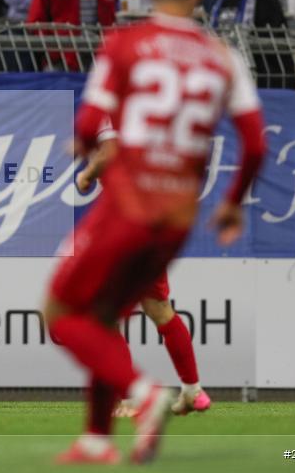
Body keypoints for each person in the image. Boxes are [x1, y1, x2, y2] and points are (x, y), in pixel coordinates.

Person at [45, 0, 266, 464]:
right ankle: (99, 437)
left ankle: (145, 395)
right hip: (178, 217)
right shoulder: (222, 56)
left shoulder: (126, 43)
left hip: (128, 207)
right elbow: (255, 144)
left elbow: (88, 128)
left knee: (61, 313)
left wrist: (83, 156)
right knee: (110, 313)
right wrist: (232, 203)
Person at [75, 123, 211, 419]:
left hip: (123, 223)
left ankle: (131, 399)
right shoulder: (162, 111)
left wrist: (87, 174)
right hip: (155, 223)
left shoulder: (119, 102)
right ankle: (193, 389)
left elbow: (109, 150)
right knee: (161, 310)